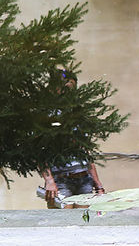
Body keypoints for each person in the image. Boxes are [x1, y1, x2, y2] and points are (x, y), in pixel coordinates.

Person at [40, 68, 107, 208]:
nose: (68, 93)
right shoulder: (46, 116)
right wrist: (49, 181)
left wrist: (98, 184)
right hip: (61, 181)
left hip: (84, 180)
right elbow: (39, 152)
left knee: (84, 223)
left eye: (72, 89)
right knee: (63, 223)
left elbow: (86, 152)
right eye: (65, 89)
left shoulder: (78, 115)